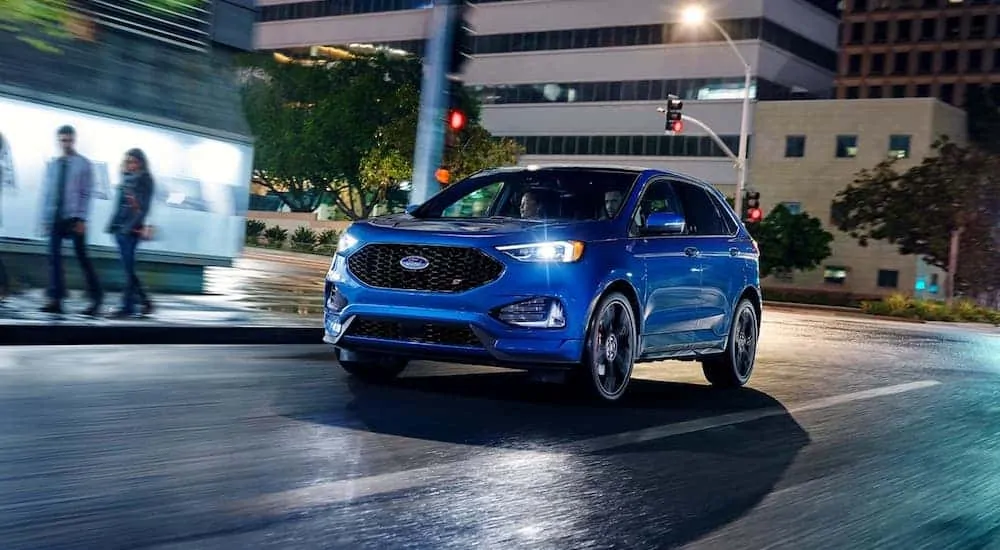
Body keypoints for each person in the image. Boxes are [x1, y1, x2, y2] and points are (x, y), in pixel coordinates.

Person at [40, 125, 102, 315]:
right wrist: (45, 219)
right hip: (56, 217)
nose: (65, 143)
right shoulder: (54, 164)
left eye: (68, 140)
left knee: (82, 257)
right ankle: (56, 300)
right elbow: (47, 194)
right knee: (54, 259)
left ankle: (96, 298)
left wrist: (82, 218)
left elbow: (86, 193)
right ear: (58, 141)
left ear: (74, 140)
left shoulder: (83, 164)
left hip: (74, 217)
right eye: (62, 140)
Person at [107, 148, 154, 318]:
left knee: (128, 270)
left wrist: (129, 228)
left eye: (133, 161)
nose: (130, 164)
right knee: (129, 269)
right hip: (120, 228)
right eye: (127, 161)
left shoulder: (144, 180)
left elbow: (142, 208)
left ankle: (128, 307)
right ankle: (145, 301)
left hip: (132, 230)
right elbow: (119, 206)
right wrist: (113, 225)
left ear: (140, 163)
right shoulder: (125, 178)